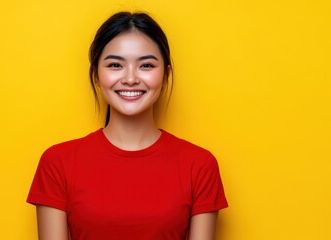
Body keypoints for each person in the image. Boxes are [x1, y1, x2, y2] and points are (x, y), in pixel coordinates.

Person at [27, 11, 228, 240]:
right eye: (115, 65)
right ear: (96, 75)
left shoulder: (200, 166)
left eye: (146, 65)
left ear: (165, 76)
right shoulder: (58, 163)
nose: (130, 78)